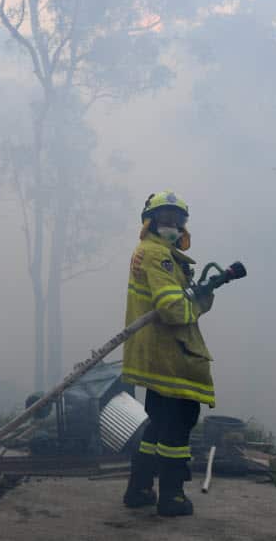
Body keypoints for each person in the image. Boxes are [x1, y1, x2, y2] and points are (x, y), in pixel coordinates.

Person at [121, 191, 215, 517]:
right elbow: (173, 308)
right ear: (150, 221)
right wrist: (199, 301)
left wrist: (199, 292)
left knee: (159, 425)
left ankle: (140, 487)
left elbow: (176, 301)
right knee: (177, 426)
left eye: (178, 221)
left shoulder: (159, 254)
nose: (172, 226)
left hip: (158, 353)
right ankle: (171, 496)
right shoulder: (158, 256)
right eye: (165, 219)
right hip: (170, 355)